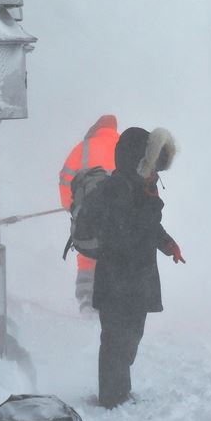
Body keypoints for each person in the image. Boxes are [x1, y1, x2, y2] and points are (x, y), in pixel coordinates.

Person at [92, 126, 185, 408]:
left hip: (135, 277)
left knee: (131, 335)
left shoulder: (140, 186)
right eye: (154, 165)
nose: (157, 173)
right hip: (117, 277)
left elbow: (148, 228)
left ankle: (120, 391)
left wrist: (168, 244)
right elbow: (126, 231)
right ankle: (112, 397)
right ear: (138, 160)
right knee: (116, 338)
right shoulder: (118, 188)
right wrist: (151, 205)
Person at [59, 115, 120, 313]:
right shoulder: (125, 147)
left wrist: (71, 206)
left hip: (88, 214)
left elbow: (66, 178)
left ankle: (86, 301)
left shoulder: (83, 148)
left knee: (87, 256)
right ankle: (113, 302)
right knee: (116, 254)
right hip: (119, 217)